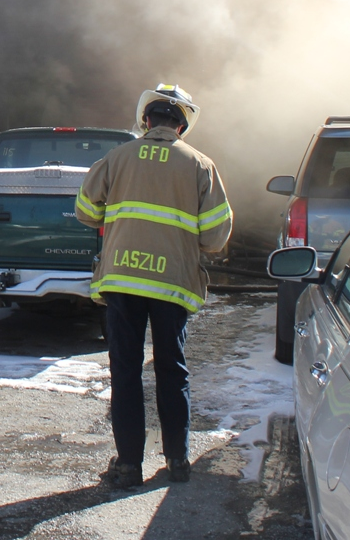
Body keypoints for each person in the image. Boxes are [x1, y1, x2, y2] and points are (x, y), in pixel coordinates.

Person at [75, 83, 232, 488]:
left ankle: (128, 466)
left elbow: (86, 211)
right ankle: (177, 461)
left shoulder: (117, 157)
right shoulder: (201, 165)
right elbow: (216, 237)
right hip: (172, 283)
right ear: (181, 127)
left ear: (147, 122)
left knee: (125, 371)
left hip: (123, 281)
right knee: (170, 368)